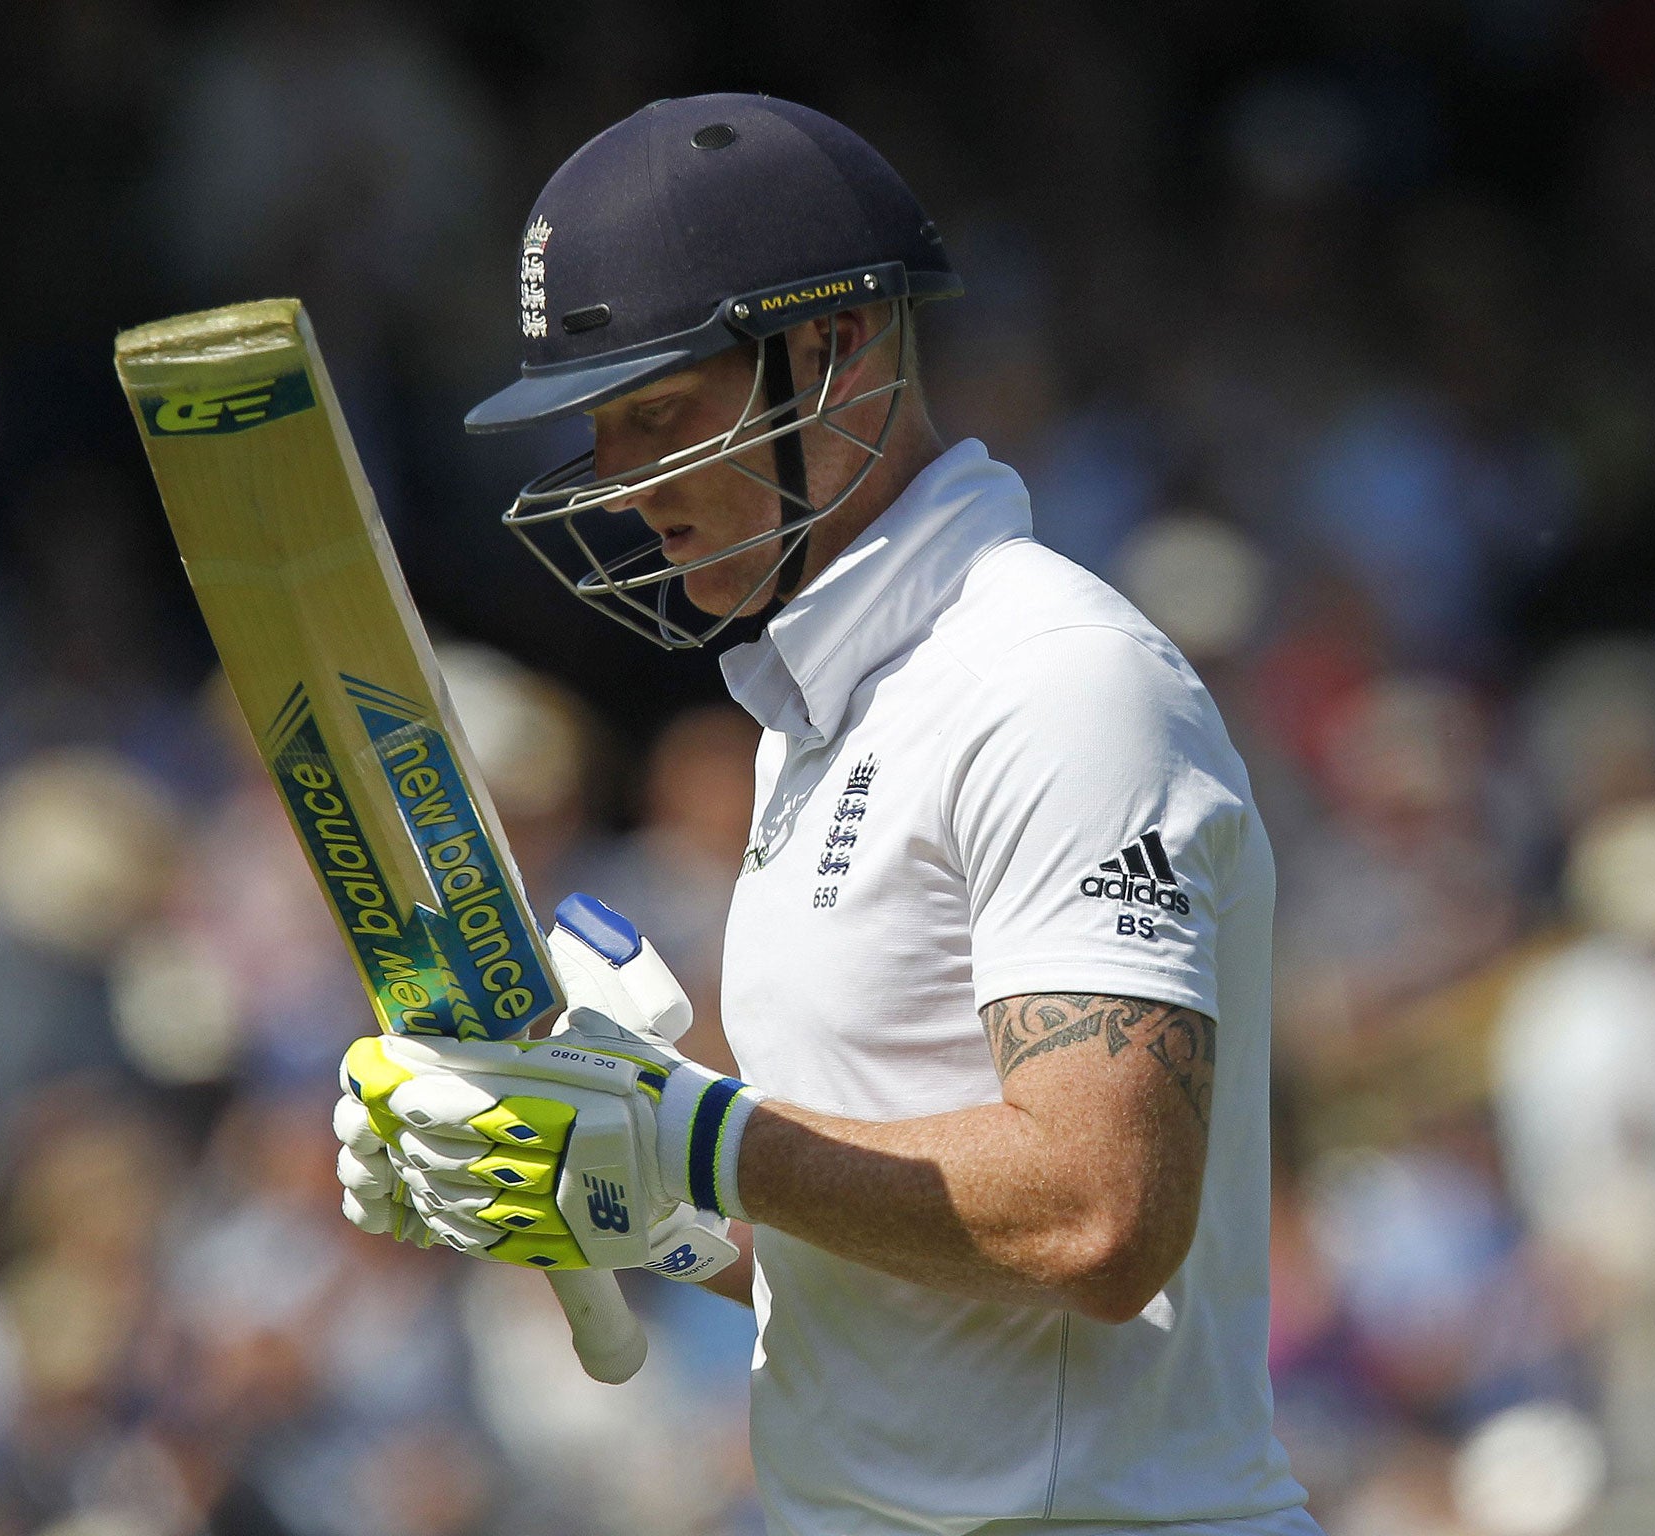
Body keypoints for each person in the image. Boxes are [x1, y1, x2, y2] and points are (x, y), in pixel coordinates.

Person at [332, 94, 1318, 1536]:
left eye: (658, 416)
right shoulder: (829, 709)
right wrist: (581, 1173)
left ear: (835, 351)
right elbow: (861, 1236)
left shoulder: (1057, 682)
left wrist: (690, 1136)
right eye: (604, 433)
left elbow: (1098, 1214)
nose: (625, 486)